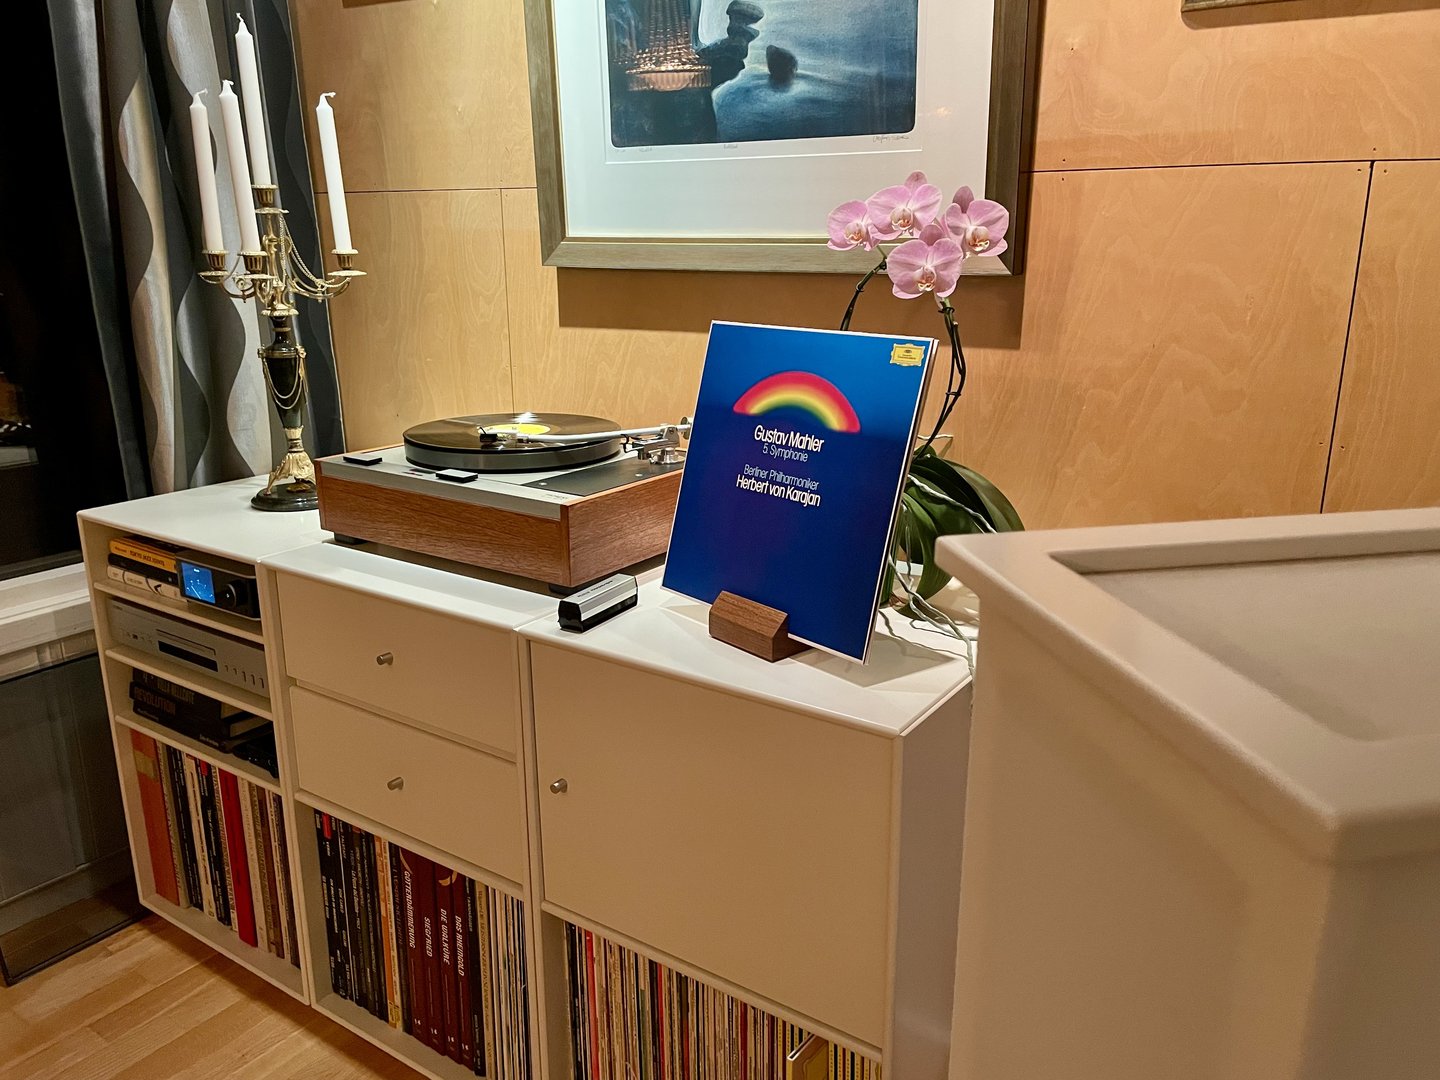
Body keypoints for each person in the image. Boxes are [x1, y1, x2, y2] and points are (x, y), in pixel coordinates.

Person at [606, 0, 765, 147]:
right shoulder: (618, 10)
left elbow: (691, 51)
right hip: (644, 117)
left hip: (687, 111)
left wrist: (730, 47)